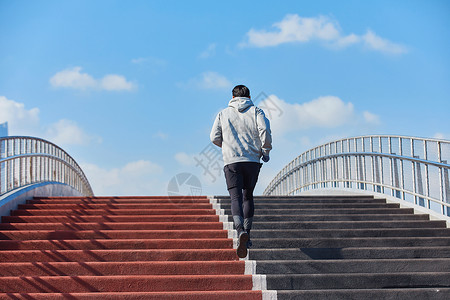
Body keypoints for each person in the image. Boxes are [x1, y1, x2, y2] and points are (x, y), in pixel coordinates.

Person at [210, 85, 272, 258]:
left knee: (235, 197)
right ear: (249, 96)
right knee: (248, 196)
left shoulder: (223, 113)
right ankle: (248, 234)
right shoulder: (256, 111)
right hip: (252, 160)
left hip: (232, 161)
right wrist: (265, 151)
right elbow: (265, 131)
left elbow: (214, 137)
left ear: (232, 96)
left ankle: (239, 231)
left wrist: (228, 147)